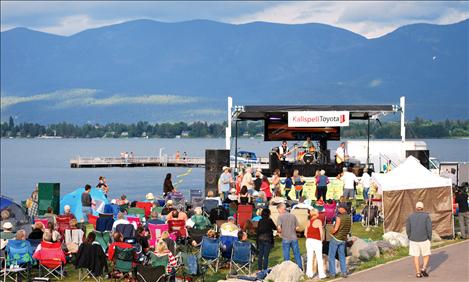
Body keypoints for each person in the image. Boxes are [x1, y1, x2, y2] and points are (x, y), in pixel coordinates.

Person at [406, 201, 432, 278]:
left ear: (416, 208)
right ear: (422, 208)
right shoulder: (426, 216)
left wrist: (409, 236)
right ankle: (423, 268)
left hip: (413, 239)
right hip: (424, 239)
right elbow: (429, 228)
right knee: (426, 254)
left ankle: (418, 272)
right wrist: (429, 237)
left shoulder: (410, 216)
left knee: (415, 256)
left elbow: (408, 228)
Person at [328, 206, 351, 278]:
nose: (338, 209)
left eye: (339, 208)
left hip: (336, 238)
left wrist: (330, 232)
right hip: (343, 239)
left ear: (343, 208)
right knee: (342, 256)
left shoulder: (339, 217)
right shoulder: (349, 217)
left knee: (331, 256)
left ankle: (332, 273)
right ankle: (344, 272)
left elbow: (336, 229)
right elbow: (349, 228)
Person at [276, 203, 302, 270]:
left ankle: (287, 269)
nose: (278, 211)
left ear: (281, 208)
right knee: (297, 254)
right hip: (294, 237)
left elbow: (279, 228)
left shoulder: (280, 217)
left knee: (286, 255)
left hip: (285, 238)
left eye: (278, 210)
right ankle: (300, 268)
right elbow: (297, 227)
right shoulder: (293, 216)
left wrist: (280, 233)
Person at [305, 209, 326, 279]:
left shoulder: (308, 221)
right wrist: (322, 240)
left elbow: (305, 233)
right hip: (316, 241)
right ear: (316, 213)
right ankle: (321, 274)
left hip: (309, 240)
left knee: (309, 257)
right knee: (319, 258)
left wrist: (309, 237)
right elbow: (321, 232)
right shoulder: (318, 221)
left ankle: (309, 274)